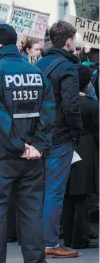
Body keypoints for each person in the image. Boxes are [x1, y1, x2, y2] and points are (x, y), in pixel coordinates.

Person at [0, 24, 55, 262]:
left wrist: (17, 145)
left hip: (2, 156)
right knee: (32, 217)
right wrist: (37, 146)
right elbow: (48, 113)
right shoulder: (37, 73)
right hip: (32, 158)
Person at [35, 20, 83, 259]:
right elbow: (71, 105)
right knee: (54, 191)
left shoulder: (38, 64)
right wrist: (77, 132)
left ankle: (38, 239)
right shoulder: (67, 67)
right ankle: (50, 243)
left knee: (38, 190)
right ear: (68, 41)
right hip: (60, 136)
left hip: (38, 136)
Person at [62, 64, 99, 250]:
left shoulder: (62, 102)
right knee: (82, 197)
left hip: (65, 148)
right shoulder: (92, 105)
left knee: (67, 195)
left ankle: (67, 236)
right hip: (86, 149)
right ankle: (79, 237)